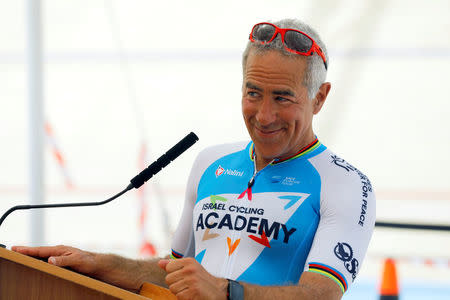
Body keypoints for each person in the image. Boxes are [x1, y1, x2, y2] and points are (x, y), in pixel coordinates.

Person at [13, 19, 375, 300]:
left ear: (319, 98)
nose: (264, 116)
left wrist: (224, 292)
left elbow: (321, 293)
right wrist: (100, 264)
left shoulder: (344, 183)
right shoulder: (210, 162)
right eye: (253, 93)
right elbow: (174, 274)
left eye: (282, 98)